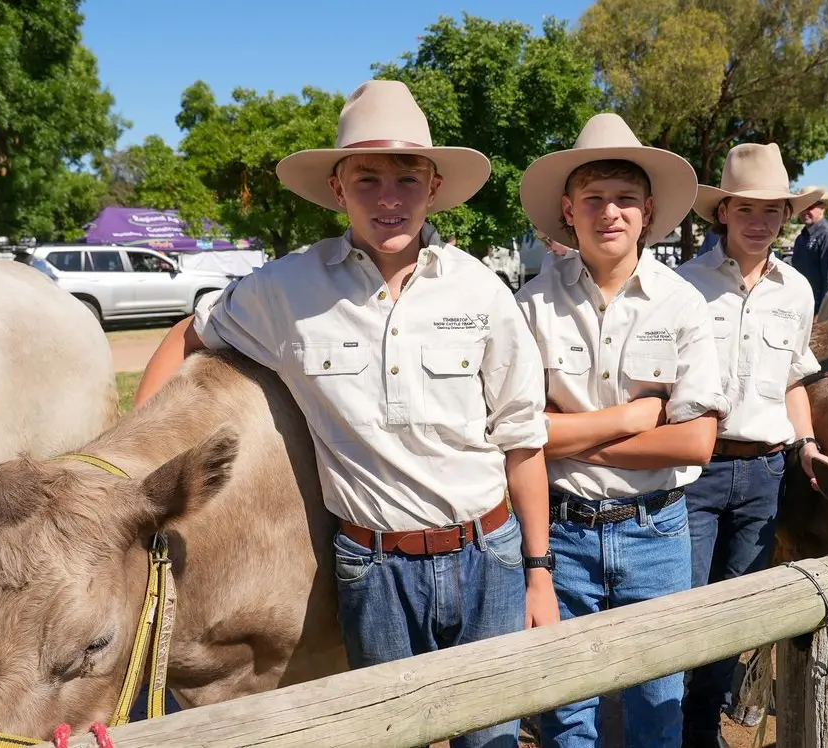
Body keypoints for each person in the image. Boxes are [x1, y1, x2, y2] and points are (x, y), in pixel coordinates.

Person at [133, 79, 559, 748]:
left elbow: (523, 444)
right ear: (337, 189)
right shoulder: (285, 289)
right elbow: (190, 333)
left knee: (493, 738)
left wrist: (538, 572)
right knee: (390, 735)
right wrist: (143, 455)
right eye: (367, 178)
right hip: (374, 567)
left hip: (490, 558)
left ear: (434, 186)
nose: (389, 197)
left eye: (407, 177)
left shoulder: (484, 292)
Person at [514, 112, 727, 748]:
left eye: (626, 199)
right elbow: (518, 438)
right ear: (567, 210)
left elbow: (696, 443)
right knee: (563, 717)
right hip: (562, 531)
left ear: (648, 210)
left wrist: (567, 429)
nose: (611, 212)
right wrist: (634, 417)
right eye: (594, 199)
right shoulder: (531, 305)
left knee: (658, 715)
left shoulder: (682, 302)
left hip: (657, 531)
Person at [675, 142, 828, 748]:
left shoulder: (795, 291)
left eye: (773, 211)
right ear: (724, 212)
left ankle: (703, 722)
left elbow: (793, 378)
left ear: (786, 217)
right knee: (686, 605)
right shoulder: (682, 285)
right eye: (747, 209)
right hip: (696, 468)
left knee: (738, 607)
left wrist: (809, 443)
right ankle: (680, 723)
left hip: (766, 470)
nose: (760, 221)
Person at [790, 190, 828, 312]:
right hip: (800, 305)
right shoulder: (801, 238)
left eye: (810, 206)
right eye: (803, 207)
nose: (805, 211)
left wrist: (823, 312)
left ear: (822, 209)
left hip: (818, 309)